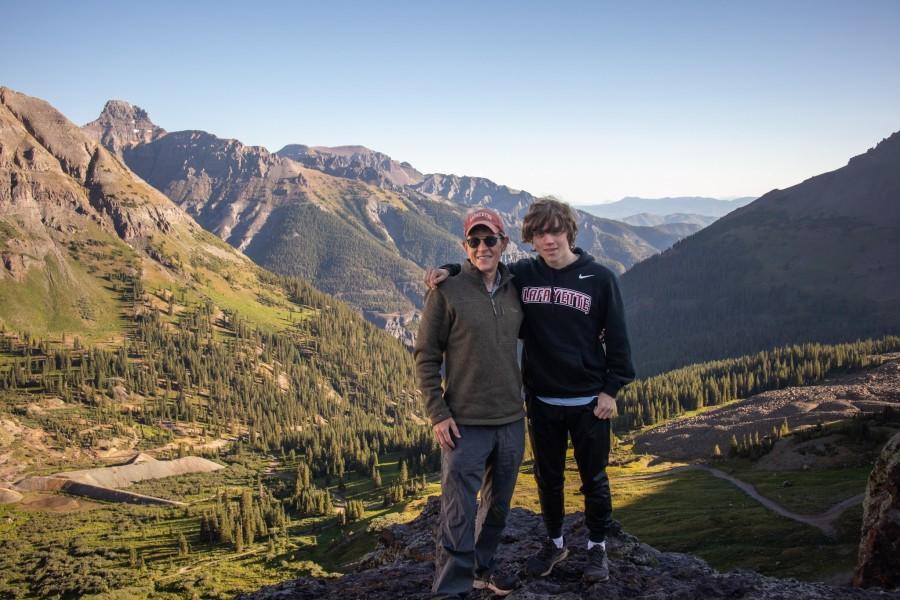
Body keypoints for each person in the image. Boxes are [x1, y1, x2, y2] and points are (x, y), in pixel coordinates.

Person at [426, 198, 635, 584]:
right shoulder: (524, 274)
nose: (548, 240)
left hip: (589, 403)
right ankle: (555, 543)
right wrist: (449, 270)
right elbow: (483, 269)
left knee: (595, 479)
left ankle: (597, 549)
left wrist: (611, 391)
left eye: (555, 231)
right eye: (539, 234)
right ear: (529, 240)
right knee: (548, 478)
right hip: (540, 401)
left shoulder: (600, 279)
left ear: (569, 232)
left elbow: (619, 343)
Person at [415, 207, 525, 599]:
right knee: (458, 515)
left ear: (503, 243)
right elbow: (426, 356)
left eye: (490, 240)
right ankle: (451, 591)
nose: (482, 247)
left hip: (512, 421)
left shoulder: (517, 288)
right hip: (464, 425)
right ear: (465, 246)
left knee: (497, 508)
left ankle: (482, 569)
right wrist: (437, 414)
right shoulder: (446, 291)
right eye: (474, 241)